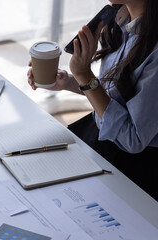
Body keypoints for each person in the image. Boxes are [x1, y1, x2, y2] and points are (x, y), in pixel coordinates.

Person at [27, 0, 158, 200]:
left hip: (133, 168)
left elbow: (133, 139)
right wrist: (70, 82)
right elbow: (116, 97)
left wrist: (85, 76)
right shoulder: (119, 19)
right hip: (99, 139)